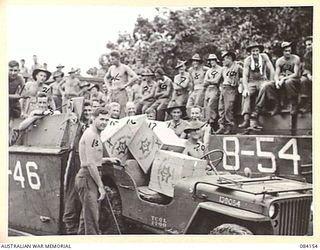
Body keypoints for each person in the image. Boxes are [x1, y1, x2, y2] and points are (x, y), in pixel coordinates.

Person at [75, 107, 120, 234]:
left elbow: (93, 159)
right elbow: (90, 163)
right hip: (88, 177)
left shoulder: (94, 134)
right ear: (93, 119)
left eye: (107, 120)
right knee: (92, 220)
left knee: (87, 217)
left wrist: (108, 160)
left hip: (89, 176)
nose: (104, 123)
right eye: (101, 119)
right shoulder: (92, 135)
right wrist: (101, 187)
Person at [239, 42, 275, 129]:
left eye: (256, 51)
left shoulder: (264, 57)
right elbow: (245, 75)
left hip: (263, 80)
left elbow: (271, 69)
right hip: (252, 81)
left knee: (264, 88)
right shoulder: (248, 60)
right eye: (253, 51)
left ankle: (256, 111)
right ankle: (246, 118)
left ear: (259, 51)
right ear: (250, 52)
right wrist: (246, 88)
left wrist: (271, 81)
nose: (255, 53)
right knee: (246, 94)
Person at [104, 50, 138, 118]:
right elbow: (105, 78)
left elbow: (135, 77)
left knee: (122, 111)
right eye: (110, 59)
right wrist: (108, 87)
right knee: (111, 109)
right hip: (113, 92)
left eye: (113, 59)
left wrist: (125, 85)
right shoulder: (111, 68)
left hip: (121, 92)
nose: (111, 61)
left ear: (118, 58)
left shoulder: (124, 67)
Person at [217, 51, 242, 134]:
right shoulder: (223, 69)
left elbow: (245, 76)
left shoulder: (237, 67)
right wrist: (220, 87)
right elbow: (219, 80)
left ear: (230, 59)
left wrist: (240, 83)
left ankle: (230, 126)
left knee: (228, 108)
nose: (223, 61)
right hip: (224, 88)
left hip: (232, 88)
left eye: (224, 59)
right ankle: (221, 126)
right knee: (221, 108)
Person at [274, 41, 301, 115]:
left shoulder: (296, 58)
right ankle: (278, 104)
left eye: (289, 51)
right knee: (272, 85)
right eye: (286, 51)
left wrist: (283, 79)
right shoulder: (279, 61)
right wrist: (277, 81)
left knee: (288, 82)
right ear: (282, 51)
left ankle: (294, 103)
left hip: (295, 79)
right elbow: (276, 74)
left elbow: (296, 74)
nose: (288, 53)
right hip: (284, 78)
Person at [204, 54, 222, 124]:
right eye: (210, 60)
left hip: (216, 88)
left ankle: (213, 121)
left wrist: (210, 81)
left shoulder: (220, 69)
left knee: (212, 105)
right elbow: (205, 82)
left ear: (216, 60)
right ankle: (207, 121)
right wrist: (211, 81)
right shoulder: (209, 71)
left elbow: (216, 81)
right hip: (208, 89)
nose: (212, 62)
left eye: (213, 60)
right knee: (206, 105)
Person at [299, 36, 312, 113]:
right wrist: (309, 75)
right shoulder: (307, 55)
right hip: (311, 76)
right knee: (303, 80)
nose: (307, 47)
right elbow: (306, 68)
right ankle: (305, 101)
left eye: (309, 44)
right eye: (306, 45)